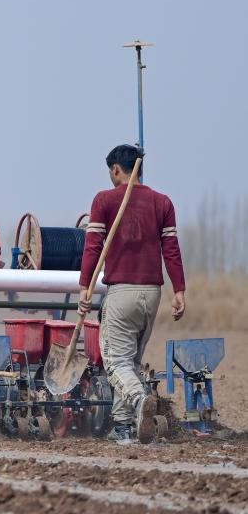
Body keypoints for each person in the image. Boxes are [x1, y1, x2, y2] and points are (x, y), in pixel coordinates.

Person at [78, 144, 186, 444]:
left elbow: (92, 248)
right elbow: (171, 250)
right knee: (130, 362)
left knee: (115, 362)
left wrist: (85, 287)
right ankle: (124, 427)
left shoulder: (104, 200)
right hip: (152, 293)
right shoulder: (163, 202)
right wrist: (179, 290)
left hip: (122, 292)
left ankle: (140, 401)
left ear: (115, 169)